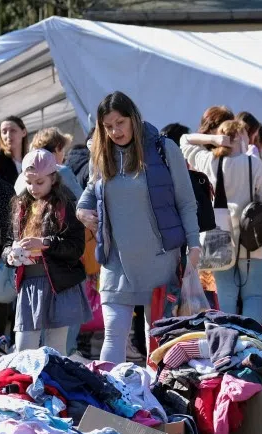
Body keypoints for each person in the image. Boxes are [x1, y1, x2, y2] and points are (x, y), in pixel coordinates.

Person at [76, 91, 200, 364]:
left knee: (156, 338)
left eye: (120, 122)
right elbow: (89, 192)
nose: (115, 131)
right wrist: (81, 211)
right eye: (108, 127)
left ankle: (157, 398)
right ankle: (110, 401)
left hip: (160, 260)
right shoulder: (100, 153)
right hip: (115, 259)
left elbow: (186, 201)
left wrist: (194, 244)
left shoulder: (164, 149)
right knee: (113, 335)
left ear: (133, 117)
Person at [180, 119, 262, 322]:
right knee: (253, 296)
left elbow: (185, 140)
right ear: (241, 136)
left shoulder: (208, 161)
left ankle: (226, 340)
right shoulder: (253, 163)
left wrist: (213, 139)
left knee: (225, 297)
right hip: (252, 239)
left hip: (217, 238)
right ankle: (251, 341)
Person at [5, 149, 90, 353]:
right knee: (24, 349)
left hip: (58, 286)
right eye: (29, 182)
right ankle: (28, 385)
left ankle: (51, 385)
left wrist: (46, 243)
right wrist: (9, 255)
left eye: (39, 182)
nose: (33, 188)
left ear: (53, 178)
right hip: (28, 285)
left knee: (56, 351)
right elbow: (8, 242)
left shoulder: (66, 204)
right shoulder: (20, 204)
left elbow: (76, 247)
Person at [13, 128, 82, 198]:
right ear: (57, 148)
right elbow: (79, 200)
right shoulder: (62, 171)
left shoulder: (22, 177)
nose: (64, 155)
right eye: (63, 150)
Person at [0, 116, 28, 185]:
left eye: (13, 130)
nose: (8, 135)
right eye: (4, 132)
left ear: (24, 132)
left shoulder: (30, 159)